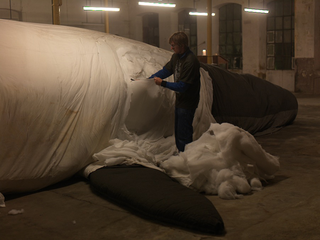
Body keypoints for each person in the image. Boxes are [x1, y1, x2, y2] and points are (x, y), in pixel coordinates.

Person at [150, 31, 201, 152]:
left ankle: (186, 157)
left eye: (173, 45)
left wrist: (163, 83)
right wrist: (149, 79)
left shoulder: (191, 61)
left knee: (184, 131)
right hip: (180, 100)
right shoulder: (176, 57)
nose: (171, 48)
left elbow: (183, 86)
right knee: (178, 131)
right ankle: (181, 154)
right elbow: (166, 71)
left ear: (182, 45)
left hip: (188, 101)